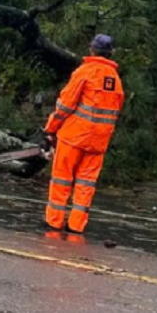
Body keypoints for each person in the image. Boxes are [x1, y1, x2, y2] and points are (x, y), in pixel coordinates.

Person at [43, 33, 125, 233]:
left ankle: (54, 221)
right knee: (86, 185)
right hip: (98, 143)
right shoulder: (115, 80)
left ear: (92, 49)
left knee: (62, 179)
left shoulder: (85, 72)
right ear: (111, 53)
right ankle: (76, 225)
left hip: (74, 137)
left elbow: (65, 105)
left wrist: (50, 129)